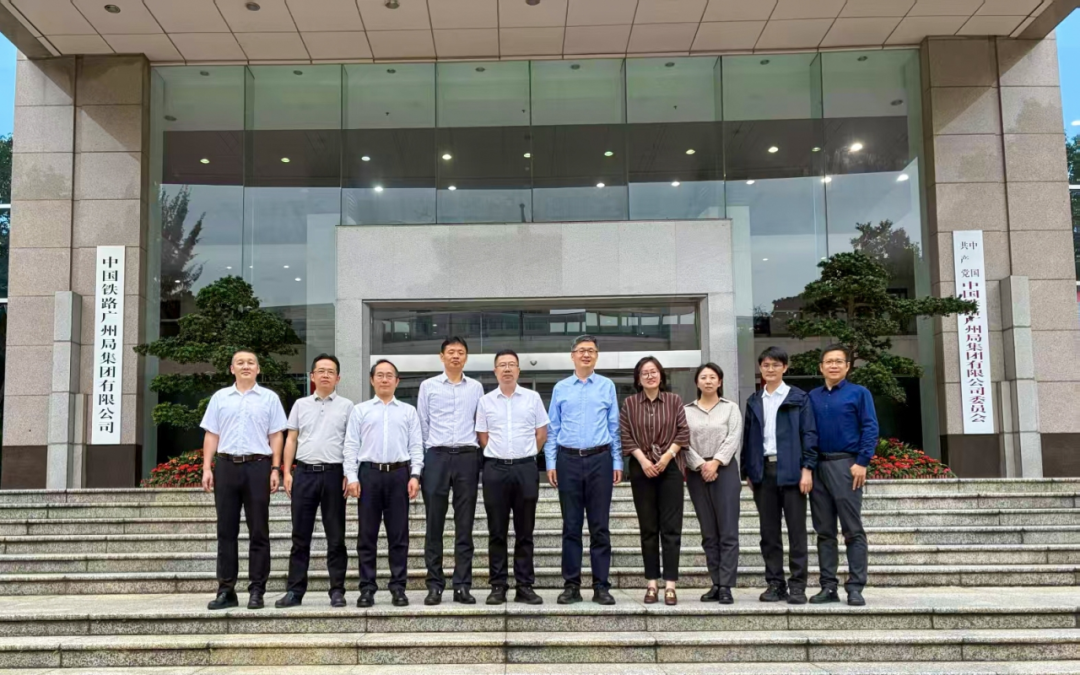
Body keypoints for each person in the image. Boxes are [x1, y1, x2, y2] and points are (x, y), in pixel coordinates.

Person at [201, 349, 288, 611]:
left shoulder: (269, 398)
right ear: (232, 369)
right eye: (240, 362)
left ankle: (257, 590)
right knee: (226, 531)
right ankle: (226, 590)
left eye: (251, 362)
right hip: (226, 466)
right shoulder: (220, 398)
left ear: (258, 369)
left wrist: (275, 469)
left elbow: (276, 436)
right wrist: (207, 468)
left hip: (258, 466)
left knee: (259, 530)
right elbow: (212, 434)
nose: (246, 366)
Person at [544, 335, 622, 605]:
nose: (586, 355)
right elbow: (552, 429)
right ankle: (571, 585)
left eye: (591, 351)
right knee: (571, 526)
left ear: (596, 356)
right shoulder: (561, 388)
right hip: (568, 461)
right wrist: (551, 463)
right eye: (581, 350)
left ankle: (601, 586)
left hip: (600, 459)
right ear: (573, 355)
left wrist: (617, 461)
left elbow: (614, 427)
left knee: (600, 526)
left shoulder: (607, 386)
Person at [276, 354, 354, 609]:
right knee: (300, 536)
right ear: (312, 376)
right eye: (320, 370)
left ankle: (337, 590)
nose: (325, 375)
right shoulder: (300, 404)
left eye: (330, 371)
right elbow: (291, 439)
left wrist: (349, 473)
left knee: (336, 537)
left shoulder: (347, 406)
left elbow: (351, 442)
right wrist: (287, 472)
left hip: (334, 475)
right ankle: (295, 591)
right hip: (305, 474)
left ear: (338, 378)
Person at [741, 346, 818, 606]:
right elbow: (749, 438)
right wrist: (748, 470)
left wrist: (807, 469)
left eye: (776, 364)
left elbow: (809, 434)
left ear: (785, 367)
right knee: (768, 533)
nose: (770, 369)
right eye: (766, 365)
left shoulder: (799, 398)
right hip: (763, 472)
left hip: (793, 472)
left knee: (797, 532)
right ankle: (775, 584)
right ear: (760, 368)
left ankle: (797, 585)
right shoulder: (754, 400)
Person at [344, 359, 423, 608]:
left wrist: (415, 475)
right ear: (372, 380)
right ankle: (367, 588)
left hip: (399, 474)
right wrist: (352, 477)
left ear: (397, 381)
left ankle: (398, 588)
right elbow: (351, 445)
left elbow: (416, 445)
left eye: (390, 375)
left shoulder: (408, 411)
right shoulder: (360, 410)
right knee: (366, 536)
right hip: (369, 475)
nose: (385, 379)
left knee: (398, 536)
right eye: (380, 375)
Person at [475, 349, 549, 605]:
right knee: (496, 531)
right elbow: (483, 436)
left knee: (525, 531)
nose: (507, 369)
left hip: (525, 469)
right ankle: (498, 585)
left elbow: (541, 434)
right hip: (495, 470)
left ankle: (524, 586)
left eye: (511, 365)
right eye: (502, 365)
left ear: (518, 370)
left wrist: (524, 456)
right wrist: (501, 456)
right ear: (495, 371)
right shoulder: (485, 401)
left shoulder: (533, 398)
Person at [808, 344, 878, 607]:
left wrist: (862, 462)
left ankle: (856, 587)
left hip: (846, 465)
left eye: (839, 361)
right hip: (818, 467)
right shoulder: (812, 396)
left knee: (852, 529)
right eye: (829, 361)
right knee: (824, 531)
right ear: (821, 367)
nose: (833, 365)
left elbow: (870, 427)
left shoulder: (859, 393)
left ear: (847, 366)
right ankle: (828, 586)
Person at [417, 337, 485, 606]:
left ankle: (462, 585)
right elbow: (422, 423)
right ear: (442, 356)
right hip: (437, 456)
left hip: (467, 456)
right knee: (434, 523)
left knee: (464, 525)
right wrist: (426, 457)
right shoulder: (428, 386)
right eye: (451, 352)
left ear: (466, 357)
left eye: (460, 352)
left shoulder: (476, 387)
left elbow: (480, 421)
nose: (456, 356)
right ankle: (434, 585)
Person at [619, 356, 689, 606]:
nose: (650, 376)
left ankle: (670, 585)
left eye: (654, 371)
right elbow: (625, 434)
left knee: (671, 528)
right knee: (648, 528)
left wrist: (667, 457)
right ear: (638, 379)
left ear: (661, 375)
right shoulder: (629, 404)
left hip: (670, 467)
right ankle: (651, 583)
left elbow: (683, 432)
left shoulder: (674, 400)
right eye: (645, 373)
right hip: (642, 469)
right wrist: (644, 460)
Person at [683, 362, 742, 604]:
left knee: (727, 530)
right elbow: (683, 441)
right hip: (696, 472)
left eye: (712, 377)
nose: (708, 381)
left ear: (720, 381)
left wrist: (715, 463)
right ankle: (716, 582)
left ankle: (726, 585)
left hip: (725, 470)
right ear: (697, 382)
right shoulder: (686, 411)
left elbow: (733, 437)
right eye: (703, 377)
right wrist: (701, 465)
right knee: (708, 532)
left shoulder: (731, 408)